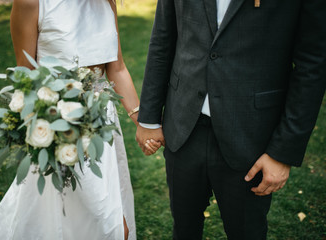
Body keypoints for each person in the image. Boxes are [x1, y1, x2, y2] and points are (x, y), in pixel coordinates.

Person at [136, 0, 326, 239]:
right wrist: (149, 120)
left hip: (252, 136)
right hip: (183, 127)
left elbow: (313, 63)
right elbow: (163, 37)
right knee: (183, 229)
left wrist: (283, 152)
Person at [0, 0, 147, 239]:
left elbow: (116, 68)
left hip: (103, 128)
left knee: (99, 220)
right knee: (110, 224)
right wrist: (51, 131)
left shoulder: (106, 1)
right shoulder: (31, 3)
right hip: (60, 127)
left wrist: (144, 123)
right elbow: (26, 76)